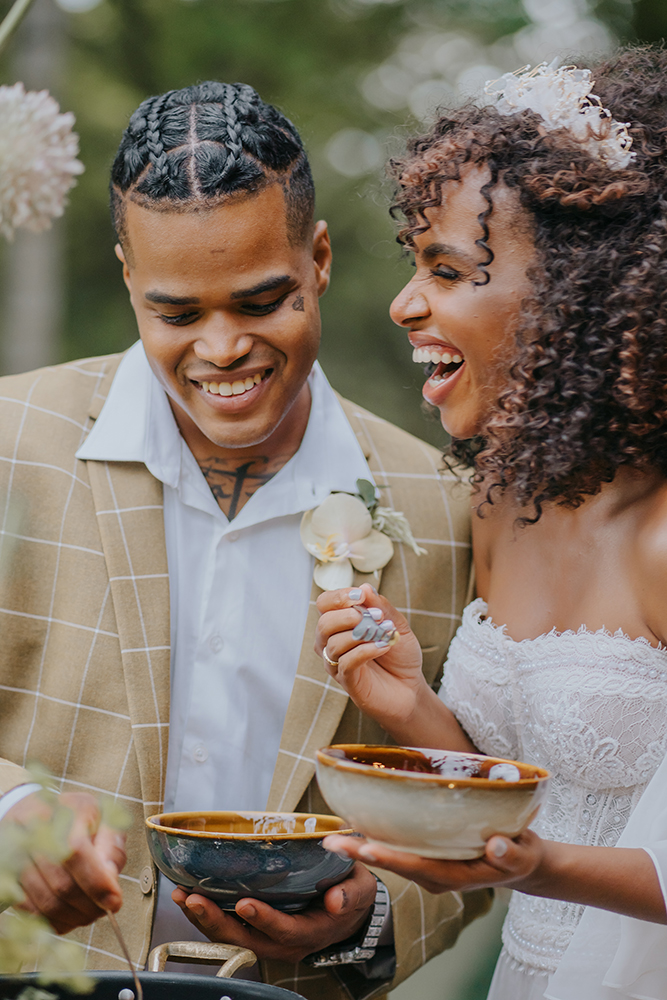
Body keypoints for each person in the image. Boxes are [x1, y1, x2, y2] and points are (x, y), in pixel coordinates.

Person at [0, 81, 491, 999]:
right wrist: (10, 813)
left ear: (320, 257)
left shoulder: (447, 508)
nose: (221, 349)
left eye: (262, 302)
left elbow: (467, 815)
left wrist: (367, 918)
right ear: (127, 278)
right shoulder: (5, 441)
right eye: (177, 314)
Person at [316, 46, 667, 1000]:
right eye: (412, 265)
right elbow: (525, 784)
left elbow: (535, 848)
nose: (404, 303)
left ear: (574, 288)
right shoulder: (503, 503)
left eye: (447, 269)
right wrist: (407, 709)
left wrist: (528, 868)